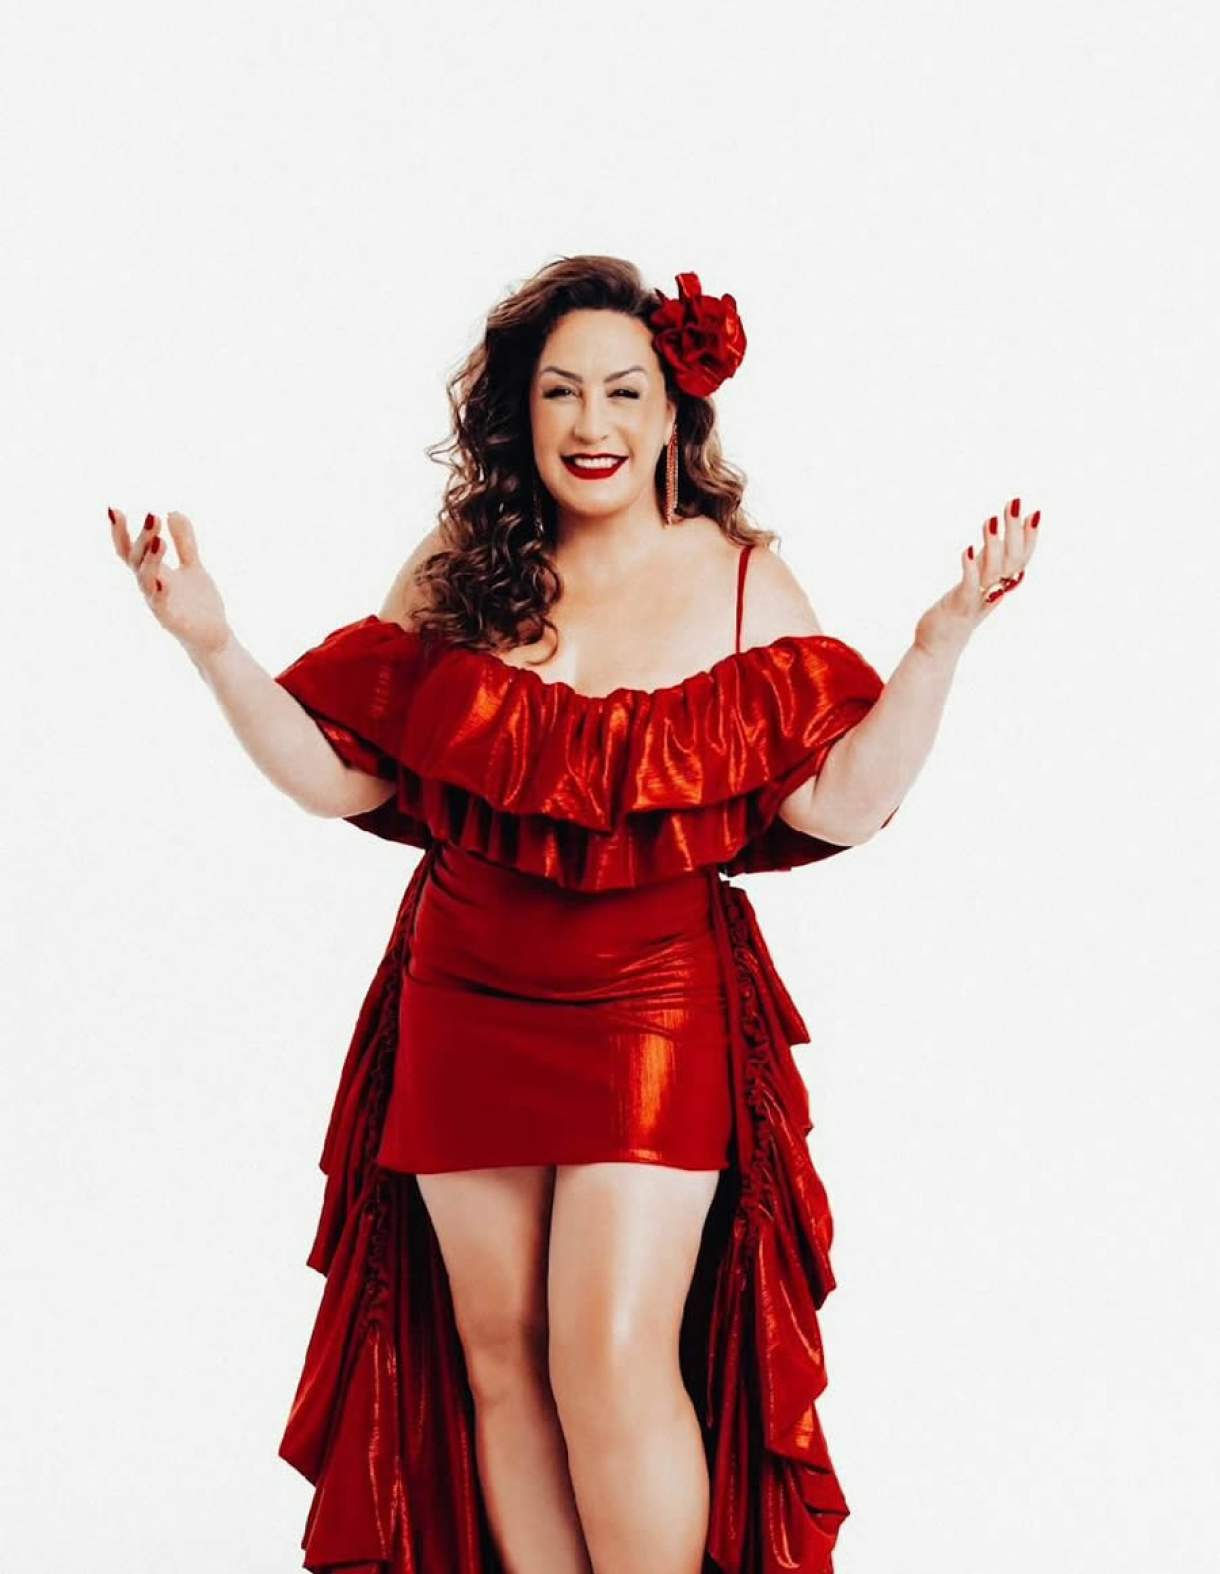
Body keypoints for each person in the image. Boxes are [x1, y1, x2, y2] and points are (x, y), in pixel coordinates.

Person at [107, 254, 1039, 1574]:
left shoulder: (738, 581)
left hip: (651, 1000)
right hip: (462, 986)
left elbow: (838, 804)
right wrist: (214, 645)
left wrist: (936, 651)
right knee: (503, 1360)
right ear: (522, 410)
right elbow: (342, 773)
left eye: (622, 391)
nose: (591, 423)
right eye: (560, 392)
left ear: (673, 413)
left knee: (608, 1355)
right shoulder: (461, 568)